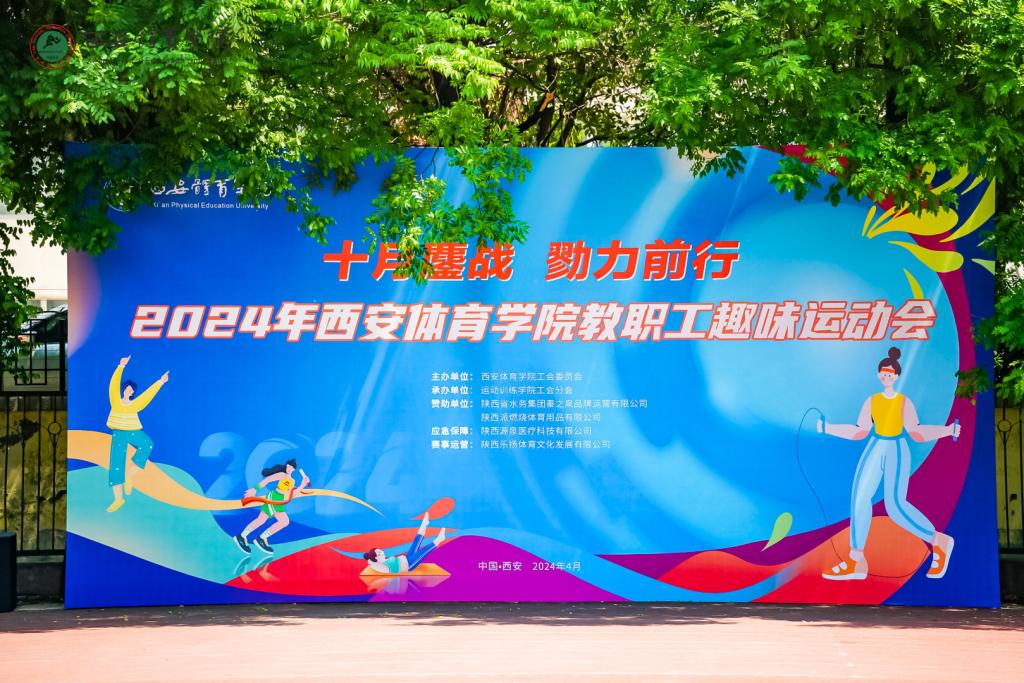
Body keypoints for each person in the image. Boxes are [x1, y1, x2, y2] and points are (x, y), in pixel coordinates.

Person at [817, 347, 960, 580]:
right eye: (883, 373)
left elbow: (916, 432)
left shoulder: (903, 402)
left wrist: (947, 431)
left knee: (895, 506)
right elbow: (859, 431)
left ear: (897, 376)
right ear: (879, 375)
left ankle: (939, 541)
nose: (886, 376)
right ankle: (856, 559)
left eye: (890, 373)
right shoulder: (872, 401)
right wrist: (828, 428)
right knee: (860, 498)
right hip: (875, 446)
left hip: (896, 448)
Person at [106, 355, 169, 512]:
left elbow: (147, 396)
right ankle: (118, 499)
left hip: (132, 431)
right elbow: (113, 385)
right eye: (127, 388)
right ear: (123, 389)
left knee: (147, 444)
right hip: (119, 433)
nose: (130, 391)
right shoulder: (115, 400)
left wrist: (160, 382)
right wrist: (121, 366)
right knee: (116, 466)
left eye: (132, 390)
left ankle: (130, 474)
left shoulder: (135, 404)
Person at [234, 459, 309, 554]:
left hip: (280, 500)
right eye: (288, 466)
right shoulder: (282, 475)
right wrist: (255, 489)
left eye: (291, 467)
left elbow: (291, 495)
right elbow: (267, 480)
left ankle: (252, 537)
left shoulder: (292, 481)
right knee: (281, 521)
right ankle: (250, 537)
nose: (289, 468)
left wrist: (302, 484)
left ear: (293, 469)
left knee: (265, 520)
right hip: (274, 497)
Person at [363, 512, 447, 574]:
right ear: (376, 558)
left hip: (407, 558)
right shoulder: (381, 566)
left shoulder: (385, 560)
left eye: (380, 550)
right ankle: (439, 539)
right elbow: (373, 564)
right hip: (409, 565)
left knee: (416, 541)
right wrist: (370, 561)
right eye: (379, 553)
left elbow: (373, 560)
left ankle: (424, 524)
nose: (382, 552)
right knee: (424, 551)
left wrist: (370, 557)